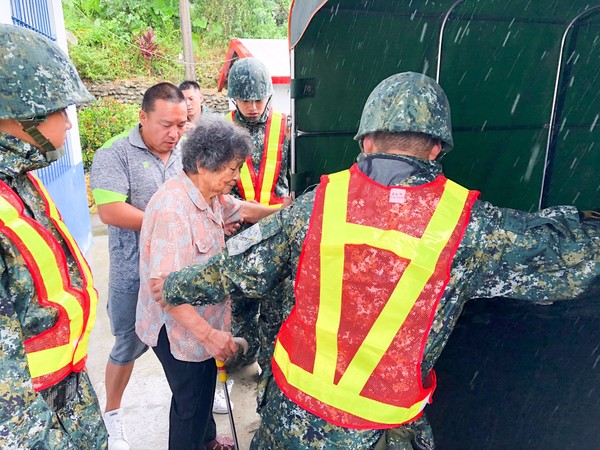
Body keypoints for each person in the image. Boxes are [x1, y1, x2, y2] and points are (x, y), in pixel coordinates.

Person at [153, 72, 600, 449]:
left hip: (291, 421)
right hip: (377, 433)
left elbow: (236, 270)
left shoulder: (318, 205)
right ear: (437, 148)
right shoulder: (470, 228)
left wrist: (173, 286)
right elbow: (571, 258)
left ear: (366, 139)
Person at [137, 114, 287, 450]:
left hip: (200, 325)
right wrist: (210, 336)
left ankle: (207, 440)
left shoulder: (208, 195)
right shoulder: (173, 211)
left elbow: (241, 210)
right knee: (191, 404)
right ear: (204, 164)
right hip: (179, 333)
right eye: (232, 168)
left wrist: (285, 213)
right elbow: (165, 292)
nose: (236, 176)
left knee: (202, 394)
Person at [0, 24, 107, 448]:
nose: (67, 122)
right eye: (57, 109)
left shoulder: (21, 181)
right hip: (36, 424)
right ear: (14, 112)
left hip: (68, 397)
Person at [90, 82, 188, 450]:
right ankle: (113, 417)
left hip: (180, 270)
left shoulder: (182, 152)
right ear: (142, 117)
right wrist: (164, 222)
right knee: (127, 346)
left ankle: (197, 397)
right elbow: (110, 211)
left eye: (181, 124)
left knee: (186, 339)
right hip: (134, 274)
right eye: (166, 124)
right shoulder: (114, 154)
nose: (174, 133)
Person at [223, 57, 292, 375]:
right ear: (233, 97)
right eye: (245, 99)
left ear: (268, 95)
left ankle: (272, 365)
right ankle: (245, 353)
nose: (252, 106)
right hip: (237, 235)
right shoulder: (221, 132)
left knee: (277, 306)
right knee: (240, 304)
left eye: (258, 99)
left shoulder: (287, 128)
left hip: (279, 232)